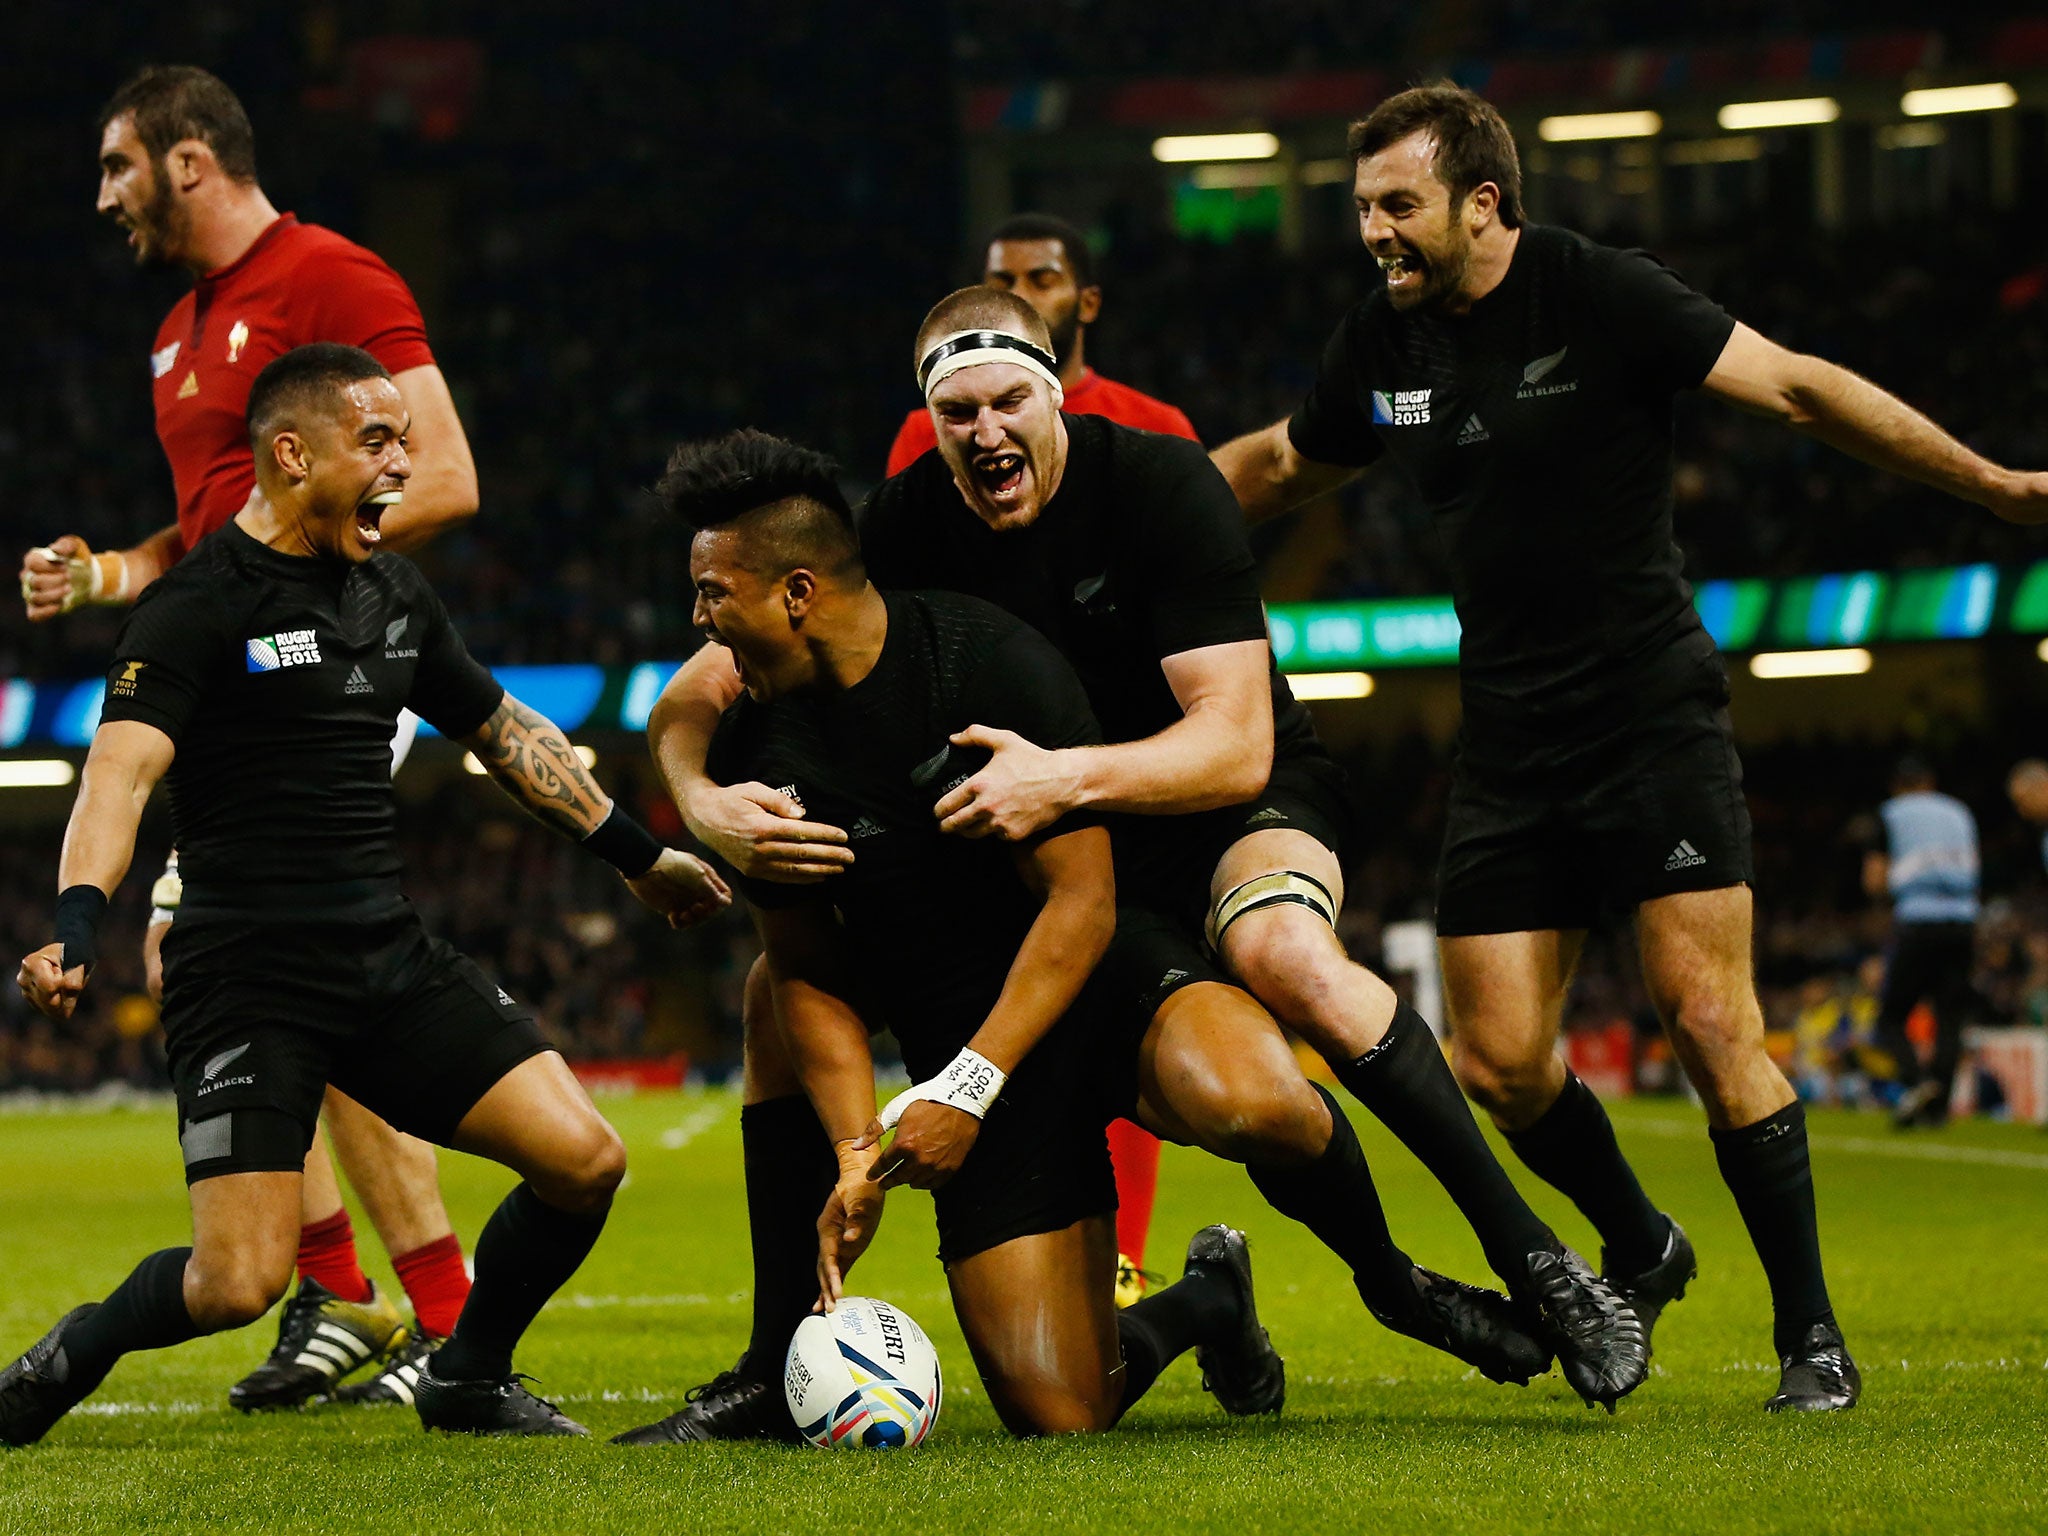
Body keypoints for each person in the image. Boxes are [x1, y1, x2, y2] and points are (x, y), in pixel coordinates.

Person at [647, 296, 1650, 1442]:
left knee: (1280, 974)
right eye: (953, 411)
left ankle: (1495, 1261)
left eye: (1007, 401)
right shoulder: (890, 536)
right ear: (925, 421)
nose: (982, 432)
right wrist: (708, 809)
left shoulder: (1160, 488)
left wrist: (1061, 781)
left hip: (1216, 798)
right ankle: (1179, 1303)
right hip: (1061, 874)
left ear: (1057, 390)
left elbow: (1233, 747)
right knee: (1053, 1400)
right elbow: (711, 676)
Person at [1208, 80, 2041, 1411]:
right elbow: (1277, 467)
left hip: (1649, 716)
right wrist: (1115, 514)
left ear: (1484, 203)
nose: (1371, 231)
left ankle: (1811, 1338)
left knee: (1711, 1021)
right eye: (1361, 207)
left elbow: (1804, 392)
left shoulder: (1601, 292)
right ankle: (1644, 1237)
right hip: (1509, 741)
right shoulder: (1383, 342)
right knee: (1498, 1065)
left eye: (1397, 204)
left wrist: (1999, 489)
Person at [1, 345, 730, 1446]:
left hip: (384, 960)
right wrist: (74, 927)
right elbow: (120, 773)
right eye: (377, 440)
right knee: (234, 1283)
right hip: (245, 980)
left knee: (585, 1160)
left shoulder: (393, 592)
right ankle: (76, 1351)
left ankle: (468, 1376)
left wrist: (639, 854)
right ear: (293, 455)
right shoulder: (198, 605)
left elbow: (505, 733)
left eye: (405, 438)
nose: (405, 461)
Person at [618, 431, 1286, 1441]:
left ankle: (1431, 1269)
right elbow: (786, 934)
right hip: (928, 991)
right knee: (1060, 1412)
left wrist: (966, 1088)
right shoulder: (768, 707)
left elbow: (1085, 898)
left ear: (798, 591)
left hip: (1058, 972)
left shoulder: (980, 642)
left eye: (712, 594)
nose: (699, 620)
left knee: (1252, 1103)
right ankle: (1202, 1303)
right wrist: (702, 804)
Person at [16, 64, 484, 1410]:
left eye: (117, 165)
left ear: (190, 159)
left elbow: (440, 474)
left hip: (327, 661)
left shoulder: (332, 277)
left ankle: (396, 1305)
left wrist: (320, 599)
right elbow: (206, 532)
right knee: (220, 952)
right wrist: (109, 573)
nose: (102, 195)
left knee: (256, 947)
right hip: (236, 662)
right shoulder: (176, 334)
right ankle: (354, 1296)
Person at [887, 212, 1198, 1305]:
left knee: (1148, 1016)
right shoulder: (918, 450)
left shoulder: (1154, 438)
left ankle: (1121, 1253)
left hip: (1127, 781)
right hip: (993, 779)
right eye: (1000, 275)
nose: (979, 430)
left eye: (1040, 274)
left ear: (1082, 302)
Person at [1864, 759, 1980, 1128]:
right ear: (1931, 781)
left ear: (1897, 785)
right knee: (1950, 1016)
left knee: (1890, 1017)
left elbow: (1875, 879)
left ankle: (1917, 1083)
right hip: (1964, 922)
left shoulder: (1891, 813)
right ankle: (1938, 1106)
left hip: (1917, 921)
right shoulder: (1959, 812)